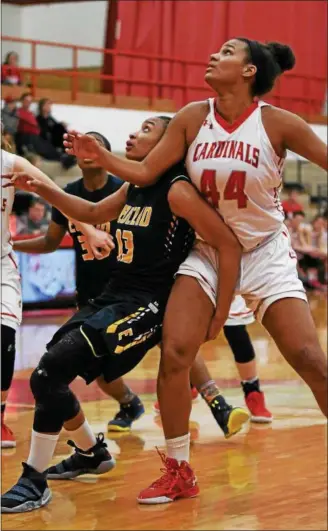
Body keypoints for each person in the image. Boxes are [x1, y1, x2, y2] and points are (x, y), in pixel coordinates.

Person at [61, 37, 327, 504]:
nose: (213, 56)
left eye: (227, 52)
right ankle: (179, 470)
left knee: (309, 357)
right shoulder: (190, 117)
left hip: (263, 250)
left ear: (249, 72)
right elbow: (145, 175)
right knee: (177, 348)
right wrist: (102, 157)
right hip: (205, 249)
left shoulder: (279, 123)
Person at [1, 115, 245, 513]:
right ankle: (90, 453)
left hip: (148, 303)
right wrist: (44, 187)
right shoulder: (134, 186)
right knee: (50, 373)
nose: (134, 133)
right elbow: (93, 214)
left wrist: (221, 314)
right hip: (113, 296)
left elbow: (227, 244)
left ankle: (34, 478)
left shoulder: (176, 191)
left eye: (148, 129)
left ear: (169, 147)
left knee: (51, 371)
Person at [14, 131, 146, 433]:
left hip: (130, 289)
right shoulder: (68, 192)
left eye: (96, 145)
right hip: (91, 294)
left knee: (171, 342)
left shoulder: (123, 191)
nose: (87, 151)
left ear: (106, 154)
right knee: (96, 367)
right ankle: (129, 403)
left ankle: (212, 396)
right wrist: (12, 244)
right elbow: (50, 242)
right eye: (82, 146)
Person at [154, 295, 273, 423]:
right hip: (197, 280)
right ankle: (189, 384)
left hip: (230, 284)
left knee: (236, 331)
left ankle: (253, 392)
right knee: (189, 331)